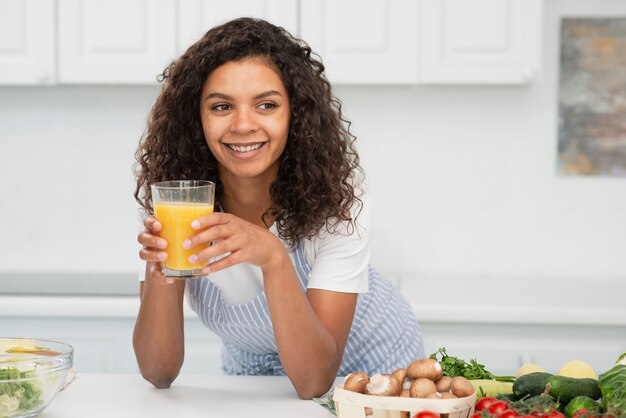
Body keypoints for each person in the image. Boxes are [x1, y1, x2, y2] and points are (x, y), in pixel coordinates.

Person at [133, 17, 424, 399]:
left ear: (295, 115)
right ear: (196, 118)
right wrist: (158, 277)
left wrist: (273, 258)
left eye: (266, 105)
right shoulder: (175, 201)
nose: (242, 125)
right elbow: (158, 372)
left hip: (372, 371)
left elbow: (314, 381)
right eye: (221, 106)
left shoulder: (338, 201)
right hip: (255, 380)